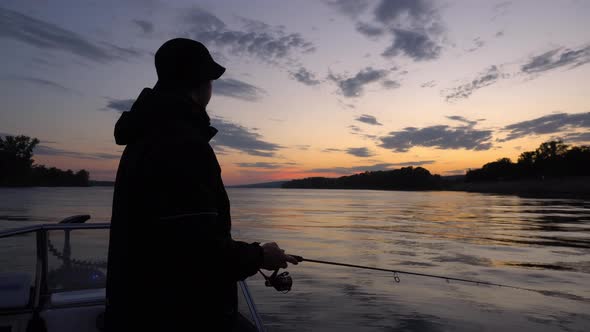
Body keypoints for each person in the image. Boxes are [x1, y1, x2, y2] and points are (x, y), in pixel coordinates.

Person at [105, 38, 298, 332]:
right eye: (210, 80)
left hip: (139, 307)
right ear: (199, 83)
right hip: (179, 315)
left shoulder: (145, 137)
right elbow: (197, 252)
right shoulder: (180, 143)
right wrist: (261, 255)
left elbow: (176, 236)